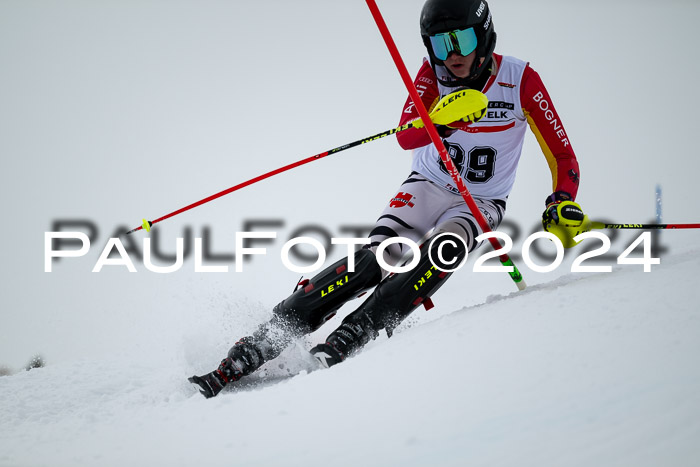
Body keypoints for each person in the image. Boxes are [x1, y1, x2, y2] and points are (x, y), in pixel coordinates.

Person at [189, 0, 584, 398]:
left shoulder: (521, 80)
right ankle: (265, 338)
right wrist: (441, 122)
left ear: (483, 33)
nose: (454, 55)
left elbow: (563, 156)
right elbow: (405, 135)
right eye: (440, 44)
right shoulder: (432, 75)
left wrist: (560, 200)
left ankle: (358, 328)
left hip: (479, 201)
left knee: (444, 249)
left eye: (462, 40)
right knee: (377, 259)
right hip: (427, 183)